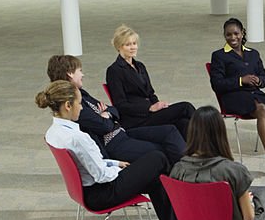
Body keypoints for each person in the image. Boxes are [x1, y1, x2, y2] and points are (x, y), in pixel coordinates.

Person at [37, 80, 194, 220]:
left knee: (156, 178)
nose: (82, 108)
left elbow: (90, 165)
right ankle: (186, 203)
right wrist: (120, 169)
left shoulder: (53, 132)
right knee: (159, 158)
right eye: (79, 104)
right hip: (102, 193)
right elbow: (101, 175)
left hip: (87, 191)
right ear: (68, 105)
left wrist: (116, 163)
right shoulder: (78, 137)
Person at [47, 54, 185, 165]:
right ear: (70, 74)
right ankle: (184, 179)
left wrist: (106, 114)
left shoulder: (82, 94)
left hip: (121, 132)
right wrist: (105, 116)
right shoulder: (74, 103)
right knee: (162, 151)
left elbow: (113, 109)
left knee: (170, 131)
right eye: (80, 71)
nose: (83, 75)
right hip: (114, 144)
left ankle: (190, 168)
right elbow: (104, 126)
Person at [209, 17, 265, 172]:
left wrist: (259, 80)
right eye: (228, 35)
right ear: (224, 36)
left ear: (242, 33)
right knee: (262, 110)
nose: (233, 38)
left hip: (254, 93)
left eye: (236, 33)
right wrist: (240, 80)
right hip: (233, 96)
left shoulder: (253, 54)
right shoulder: (219, 56)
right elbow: (217, 84)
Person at [105, 24, 195, 139]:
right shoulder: (114, 70)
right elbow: (120, 105)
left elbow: (150, 93)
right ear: (119, 47)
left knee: (183, 122)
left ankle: (198, 151)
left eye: (134, 43)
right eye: (128, 44)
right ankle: (211, 136)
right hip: (136, 118)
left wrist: (159, 106)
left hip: (151, 113)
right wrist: (150, 108)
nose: (133, 47)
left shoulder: (140, 66)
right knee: (186, 107)